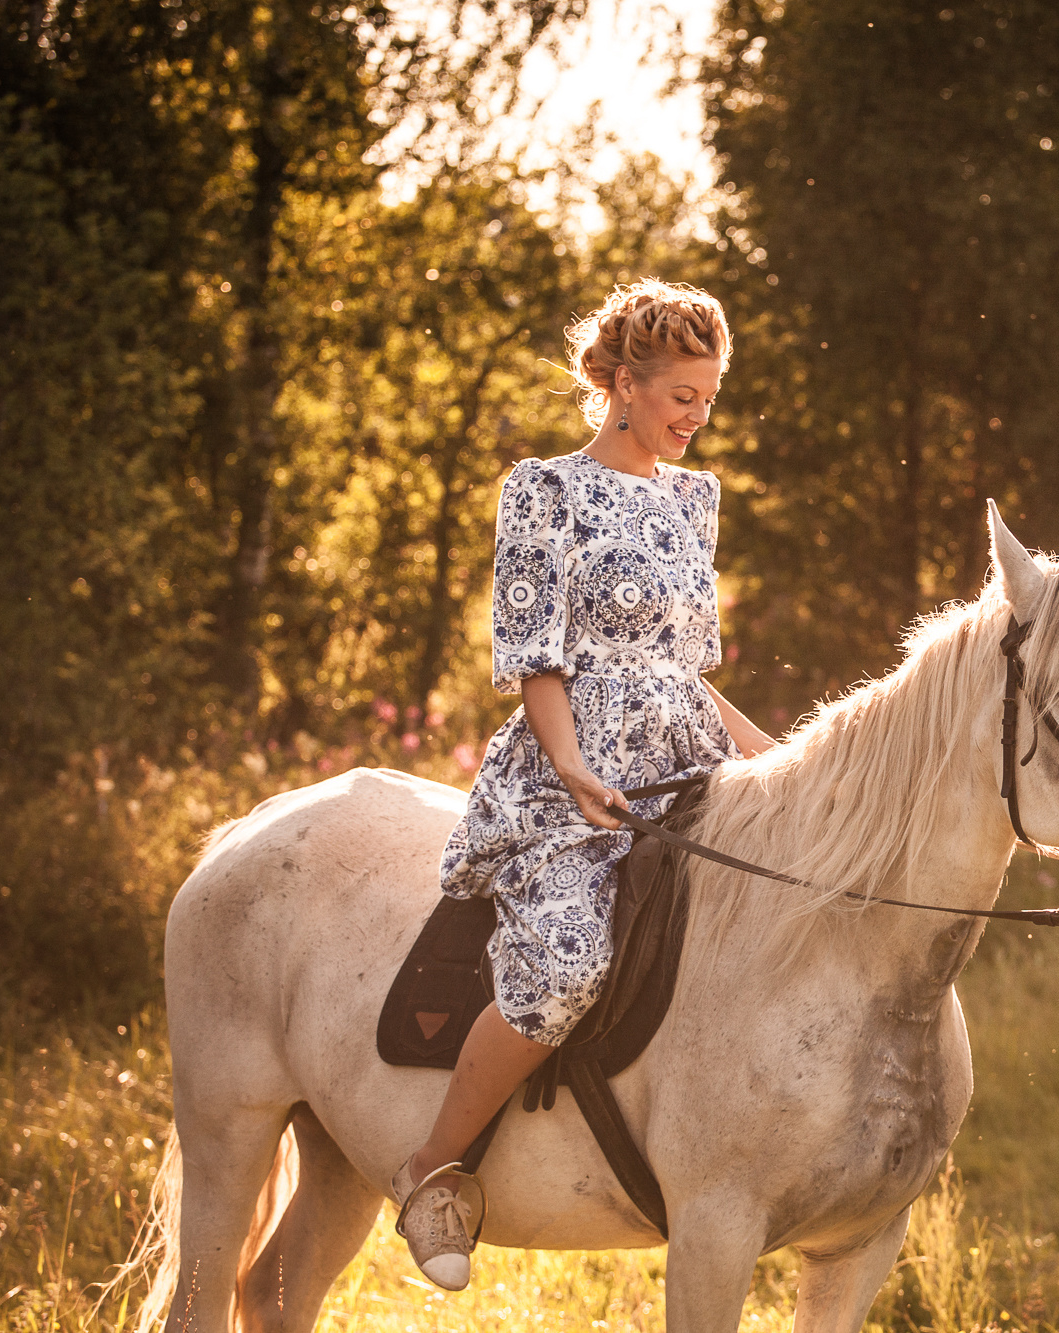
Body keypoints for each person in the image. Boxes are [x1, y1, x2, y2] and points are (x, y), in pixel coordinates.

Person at [394, 280, 777, 1290]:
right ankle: (431, 1167)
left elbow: (684, 671)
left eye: (708, 398)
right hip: (574, 770)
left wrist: (778, 761)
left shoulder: (695, 498)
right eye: (681, 396)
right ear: (621, 384)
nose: (696, 417)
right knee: (566, 965)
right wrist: (571, 766)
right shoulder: (543, 489)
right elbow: (537, 658)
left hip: (687, 760)